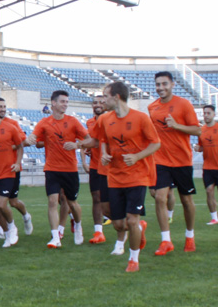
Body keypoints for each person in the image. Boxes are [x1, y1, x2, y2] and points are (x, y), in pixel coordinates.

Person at [78, 81, 158, 272]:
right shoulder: (105, 119)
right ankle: (139, 229)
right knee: (118, 223)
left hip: (137, 176)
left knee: (131, 219)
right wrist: (84, 147)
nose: (102, 100)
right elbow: (98, 140)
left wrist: (137, 156)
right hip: (114, 177)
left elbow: (155, 143)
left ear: (116, 97)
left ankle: (133, 260)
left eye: (105, 96)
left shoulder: (141, 118)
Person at [147, 71, 202, 256]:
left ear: (172, 85)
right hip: (160, 160)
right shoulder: (152, 107)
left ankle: (189, 236)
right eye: (158, 84)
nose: (160, 88)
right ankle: (166, 241)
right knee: (160, 197)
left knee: (186, 200)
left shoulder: (184, 104)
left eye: (164, 84)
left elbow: (197, 131)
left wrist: (177, 126)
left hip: (182, 160)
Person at [26, 90, 88, 249]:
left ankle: (78, 226)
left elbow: (88, 139)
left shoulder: (73, 121)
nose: (65, 104)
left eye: (67, 102)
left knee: (72, 203)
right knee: (53, 201)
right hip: (52, 168)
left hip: (70, 169)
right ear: (53, 103)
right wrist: (31, 139)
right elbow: (34, 138)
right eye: (62, 101)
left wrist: (76, 145)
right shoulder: (44, 123)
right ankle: (55, 237)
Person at [82, 94, 109, 245]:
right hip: (95, 165)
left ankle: (131, 224)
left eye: (101, 102)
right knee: (96, 198)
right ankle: (98, 231)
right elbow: (89, 142)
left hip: (111, 166)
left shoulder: (112, 120)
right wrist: (85, 159)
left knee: (112, 201)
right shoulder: (89, 122)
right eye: (95, 102)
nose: (97, 104)